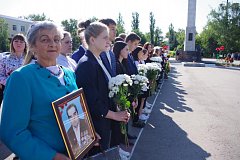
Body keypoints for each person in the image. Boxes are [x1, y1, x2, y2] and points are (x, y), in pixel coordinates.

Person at [0, 21, 78, 160]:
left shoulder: (69, 74)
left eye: (56, 39)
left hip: (74, 153)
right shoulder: (21, 78)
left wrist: (87, 132)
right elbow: (13, 132)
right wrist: (51, 156)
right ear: (33, 46)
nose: (52, 44)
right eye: (45, 39)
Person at [75, 22, 130, 156]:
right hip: (97, 124)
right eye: (104, 37)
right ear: (92, 40)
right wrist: (115, 115)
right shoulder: (87, 64)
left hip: (105, 121)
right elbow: (92, 101)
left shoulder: (99, 59)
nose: (109, 40)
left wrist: (119, 107)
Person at [0, 34, 28, 106]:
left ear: (25, 44)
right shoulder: (4, 59)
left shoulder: (30, 60)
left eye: (21, 42)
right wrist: (10, 82)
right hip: (10, 90)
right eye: (16, 41)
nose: (18, 43)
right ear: (12, 43)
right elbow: (0, 75)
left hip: (26, 90)